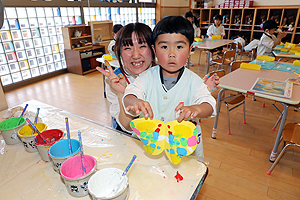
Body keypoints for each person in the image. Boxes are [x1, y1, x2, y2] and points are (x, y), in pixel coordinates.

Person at [98, 22, 219, 134]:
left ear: (153, 49)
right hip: (130, 135)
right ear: (118, 52)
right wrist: (122, 94)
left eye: (142, 46)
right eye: (128, 48)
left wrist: (202, 90)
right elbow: (127, 127)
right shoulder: (116, 80)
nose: (136, 55)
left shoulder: (166, 69)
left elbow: (186, 89)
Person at [122, 16, 216, 158]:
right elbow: (129, 95)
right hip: (151, 145)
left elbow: (209, 105)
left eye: (179, 47)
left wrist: (196, 108)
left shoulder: (194, 82)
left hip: (183, 147)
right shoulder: (146, 78)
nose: (172, 54)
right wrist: (136, 102)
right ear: (154, 49)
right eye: (164, 47)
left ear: (190, 49)